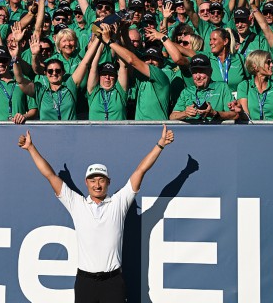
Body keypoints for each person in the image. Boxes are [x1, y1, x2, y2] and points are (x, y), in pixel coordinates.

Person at [17, 125, 174, 303]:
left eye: (101, 180)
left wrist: (160, 145)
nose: (97, 185)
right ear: (86, 182)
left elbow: (140, 171)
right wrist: (31, 148)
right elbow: (51, 176)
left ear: (108, 182)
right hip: (85, 283)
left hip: (113, 282)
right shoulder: (76, 203)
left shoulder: (119, 203)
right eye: (92, 180)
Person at [169, 54, 239, 121]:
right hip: (192, 129)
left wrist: (215, 113)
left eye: (201, 71)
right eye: (194, 72)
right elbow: (172, 117)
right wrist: (185, 113)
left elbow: (235, 115)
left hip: (215, 128)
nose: (198, 76)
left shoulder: (222, 87)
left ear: (210, 72)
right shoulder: (186, 92)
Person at [237, 50, 273, 121]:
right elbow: (245, 116)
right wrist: (240, 112)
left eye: (272, 62)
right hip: (251, 127)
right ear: (255, 66)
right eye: (268, 62)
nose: (272, 65)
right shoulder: (244, 86)